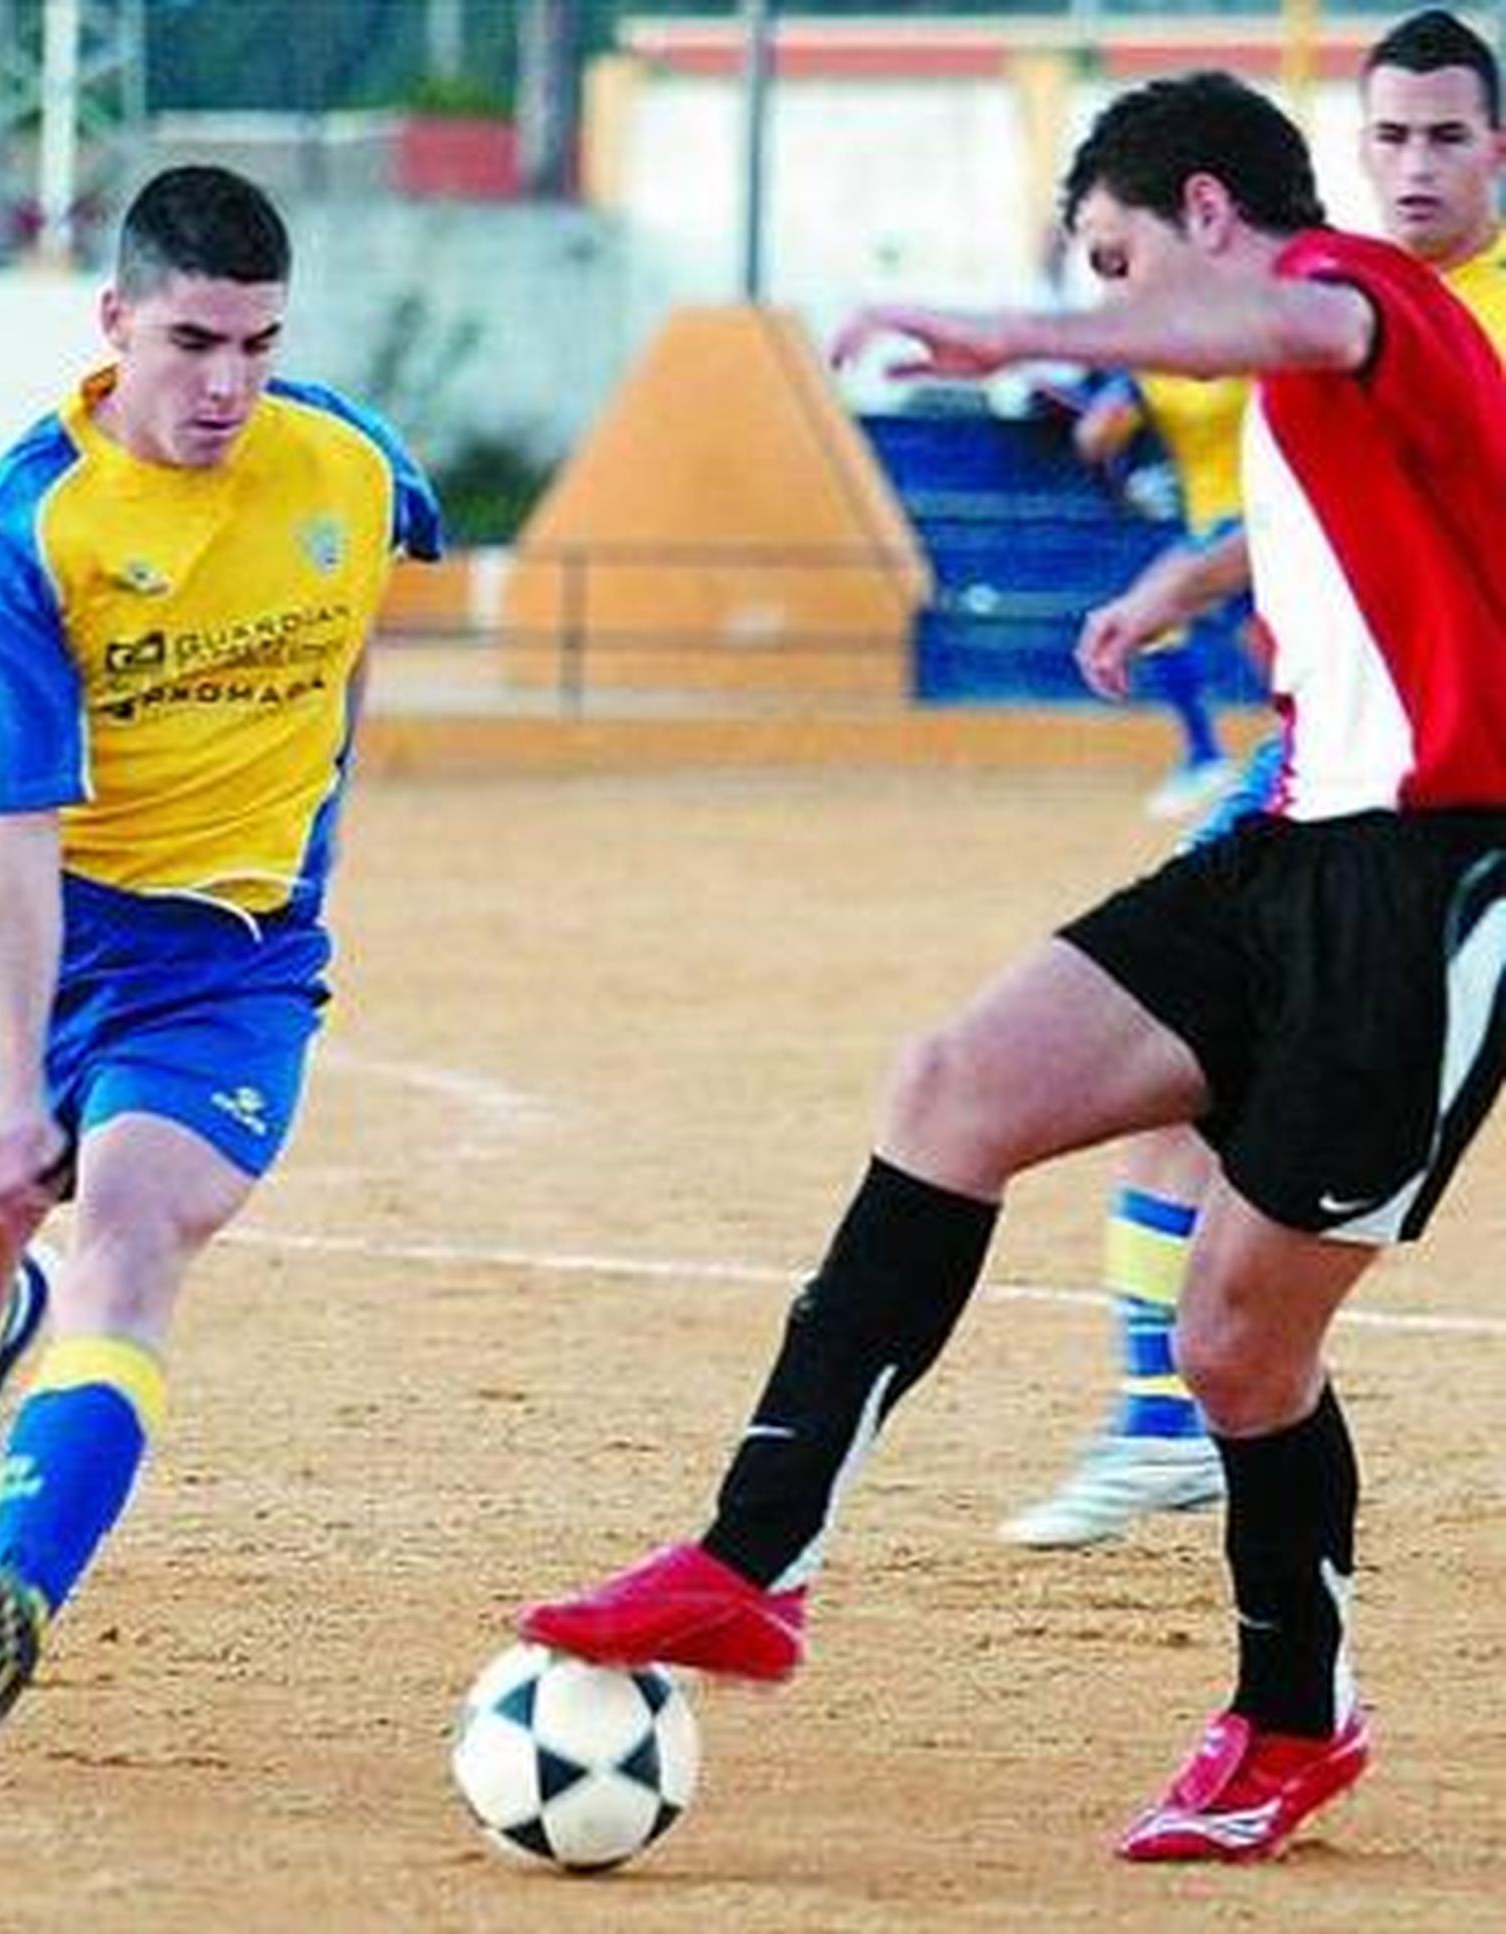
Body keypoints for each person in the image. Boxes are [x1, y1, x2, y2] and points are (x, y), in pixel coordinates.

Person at [519, 69, 1506, 1863]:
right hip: (1288, 852)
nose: (1122, 308)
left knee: (1236, 1345)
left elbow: (1274, 318)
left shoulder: (1367, 292)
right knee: (952, 1081)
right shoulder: (1316, 370)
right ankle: (757, 1558)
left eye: (1126, 262)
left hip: (1434, 888)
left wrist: (1005, 324)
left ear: (1208, 215)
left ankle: (1298, 1713)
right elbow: (1306, 459)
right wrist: (1188, 589)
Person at [0, 164, 442, 1763]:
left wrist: (308, 820)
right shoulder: (21, 535)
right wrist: (11, 1095)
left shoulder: (353, 462)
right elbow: (10, 839)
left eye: (261, 347)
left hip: (235, 959)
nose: (227, 386)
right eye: (195, 341)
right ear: (115, 322)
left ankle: (10, 1596)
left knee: (133, 1237)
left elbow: (353, 637)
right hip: (42, 933)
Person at [1001, 6, 1506, 1549]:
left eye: (1447, 137)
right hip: (1345, 768)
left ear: (1500, 150)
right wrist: (1187, 581)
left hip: (1459, 781)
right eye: (1390, 137)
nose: (1413, 166)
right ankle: (1166, 1419)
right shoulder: (1331, 288)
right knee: (1188, 1068)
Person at [1072, 369, 1253, 820]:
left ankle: (1208, 756)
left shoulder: (1149, 367)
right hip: (1247, 516)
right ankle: (1212, 757)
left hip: (1225, 523)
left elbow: (1094, 436)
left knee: (1154, 617)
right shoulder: (1253, 350)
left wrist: (1121, 487)